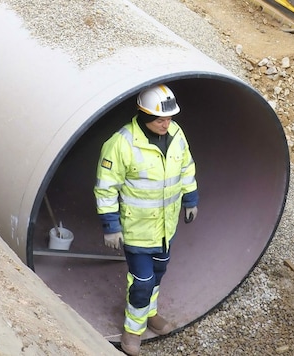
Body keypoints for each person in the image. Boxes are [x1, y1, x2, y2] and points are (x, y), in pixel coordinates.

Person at [93, 84, 199, 356]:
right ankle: (133, 330)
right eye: (160, 119)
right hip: (137, 230)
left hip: (166, 227)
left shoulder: (176, 134)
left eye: (169, 117)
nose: (167, 123)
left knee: (159, 272)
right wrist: (110, 226)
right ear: (143, 115)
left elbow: (186, 166)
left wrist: (191, 198)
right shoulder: (121, 144)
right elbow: (106, 187)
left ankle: (150, 313)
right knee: (141, 281)